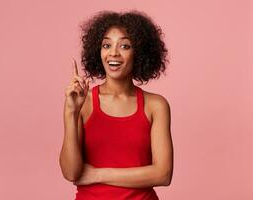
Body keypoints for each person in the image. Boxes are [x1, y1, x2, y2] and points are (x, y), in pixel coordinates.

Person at [59, 10, 173, 200]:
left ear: (139, 52)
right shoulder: (82, 102)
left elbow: (163, 174)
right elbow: (71, 173)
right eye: (106, 45)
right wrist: (71, 112)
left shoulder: (155, 105)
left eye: (124, 46)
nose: (113, 53)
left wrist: (97, 174)